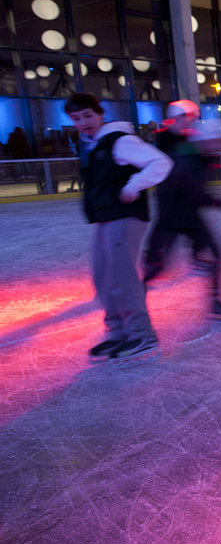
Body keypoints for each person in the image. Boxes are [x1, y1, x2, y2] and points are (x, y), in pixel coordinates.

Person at [65, 93, 172, 363]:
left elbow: (161, 163)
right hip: (106, 217)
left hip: (125, 216)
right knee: (102, 277)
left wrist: (132, 186)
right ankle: (118, 333)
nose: (83, 122)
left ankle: (142, 336)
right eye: (76, 119)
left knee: (121, 277)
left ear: (100, 113)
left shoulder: (120, 140)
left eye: (88, 115)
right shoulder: (91, 143)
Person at [144, 119, 221, 321]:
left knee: (217, 255)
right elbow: (198, 196)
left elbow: (197, 197)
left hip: (190, 216)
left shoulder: (200, 156)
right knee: (157, 267)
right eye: (218, 141)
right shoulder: (186, 159)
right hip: (171, 218)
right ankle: (129, 305)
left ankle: (216, 303)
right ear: (205, 140)